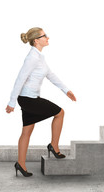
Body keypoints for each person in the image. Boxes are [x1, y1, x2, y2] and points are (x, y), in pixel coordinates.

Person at [5, 27, 77, 177]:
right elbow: (20, 79)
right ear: (36, 40)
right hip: (28, 99)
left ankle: (21, 164)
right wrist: (11, 102)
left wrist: (66, 90)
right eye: (45, 36)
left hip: (30, 98)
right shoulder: (32, 57)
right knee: (60, 113)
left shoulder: (39, 57)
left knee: (26, 131)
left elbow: (51, 75)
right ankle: (54, 147)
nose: (48, 37)